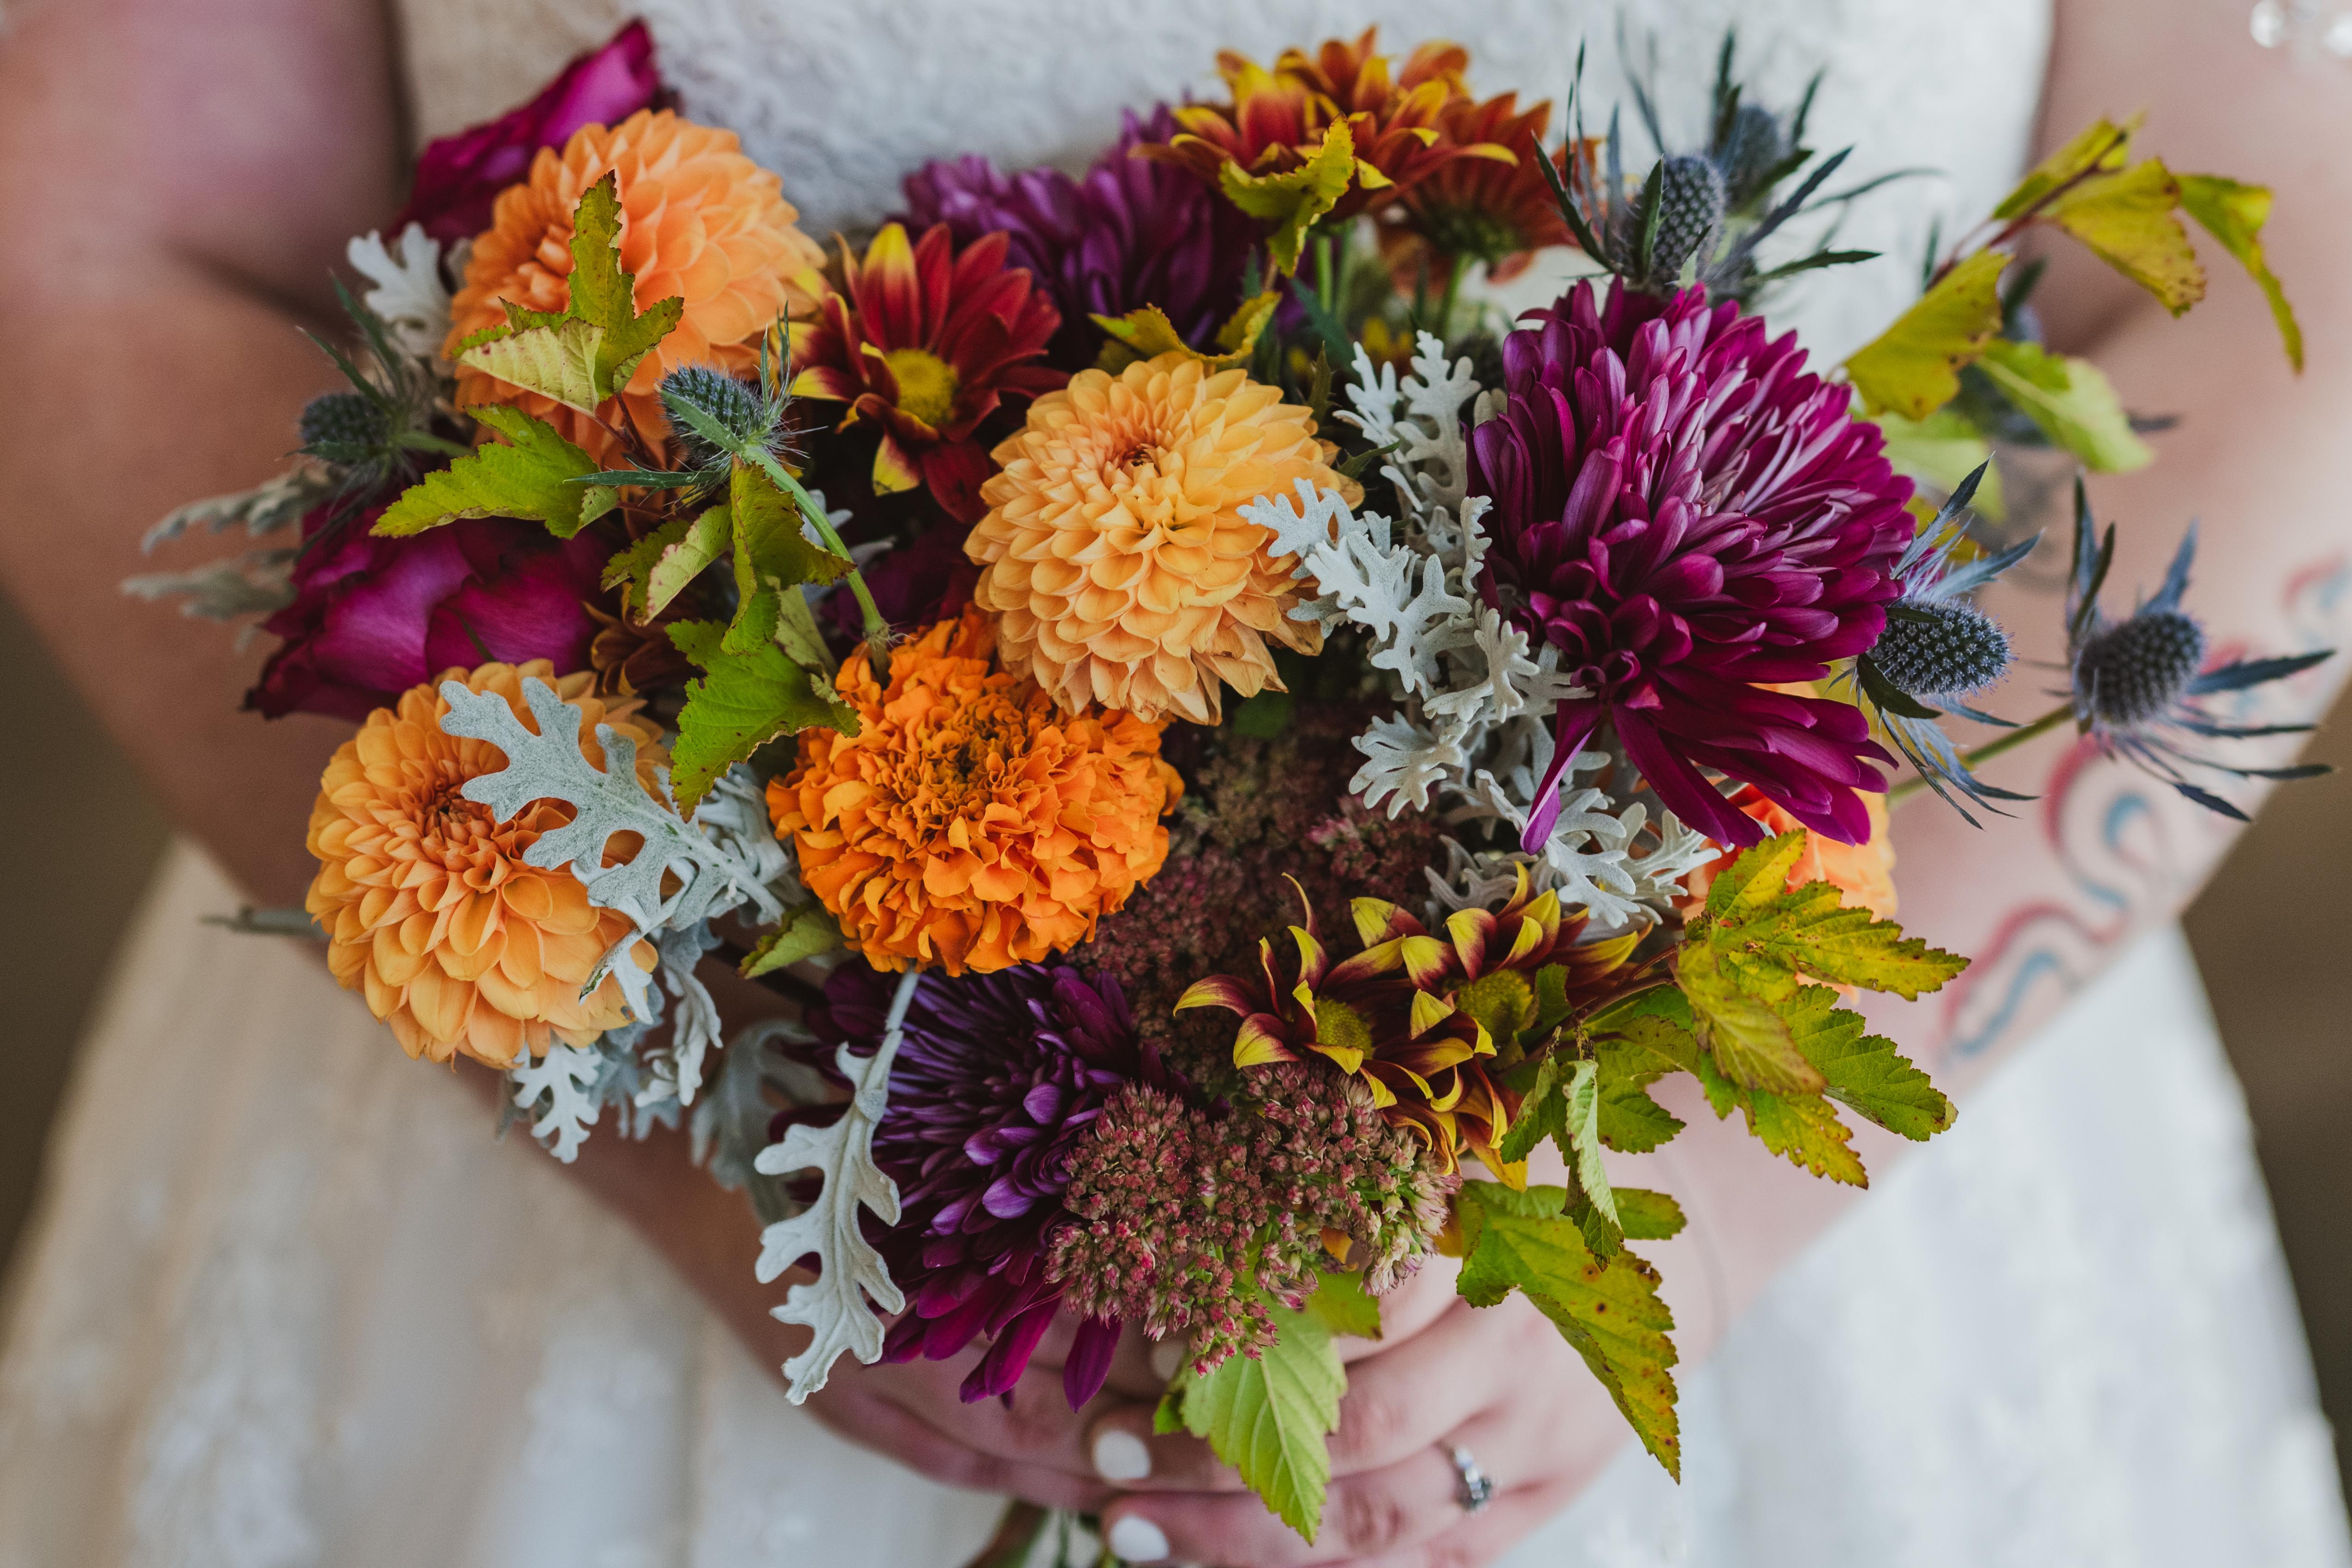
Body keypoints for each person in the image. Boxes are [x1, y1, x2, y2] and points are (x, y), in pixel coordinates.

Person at [1, 0, 2348, 1564]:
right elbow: (100, 240)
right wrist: (699, 1152)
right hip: (598, 1116)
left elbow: (2306, 289)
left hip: (1812, 1156)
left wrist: (1722, 1190)